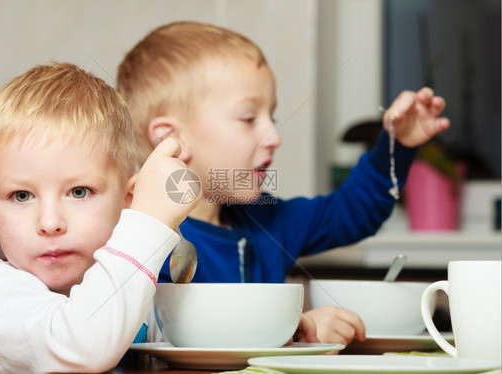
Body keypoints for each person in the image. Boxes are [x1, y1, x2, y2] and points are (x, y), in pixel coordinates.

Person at [116, 21, 451, 347]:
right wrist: (295, 327)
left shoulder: (269, 219)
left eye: (271, 117)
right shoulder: (131, 239)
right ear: (170, 137)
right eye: (248, 119)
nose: (274, 137)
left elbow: (353, 212)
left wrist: (398, 147)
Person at [0, 62, 200, 373]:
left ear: (127, 202)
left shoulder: (133, 292)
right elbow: (82, 345)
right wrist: (148, 221)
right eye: (21, 196)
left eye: (79, 192)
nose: (50, 223)